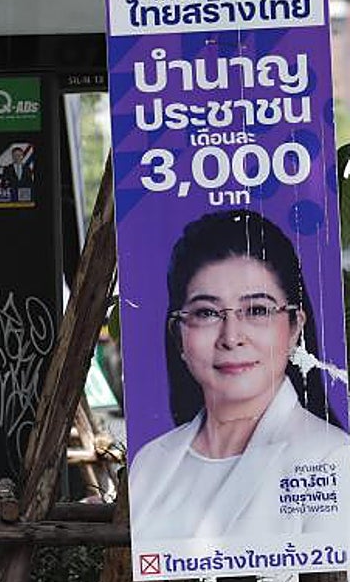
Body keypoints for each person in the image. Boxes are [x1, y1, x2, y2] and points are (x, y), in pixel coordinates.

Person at [130, 210, 349, 541]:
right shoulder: (150, 463)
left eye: (257, 310)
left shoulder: (332, 458)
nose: (231, 337)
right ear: (179, 335)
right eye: (206, 313)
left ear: (294, 329)